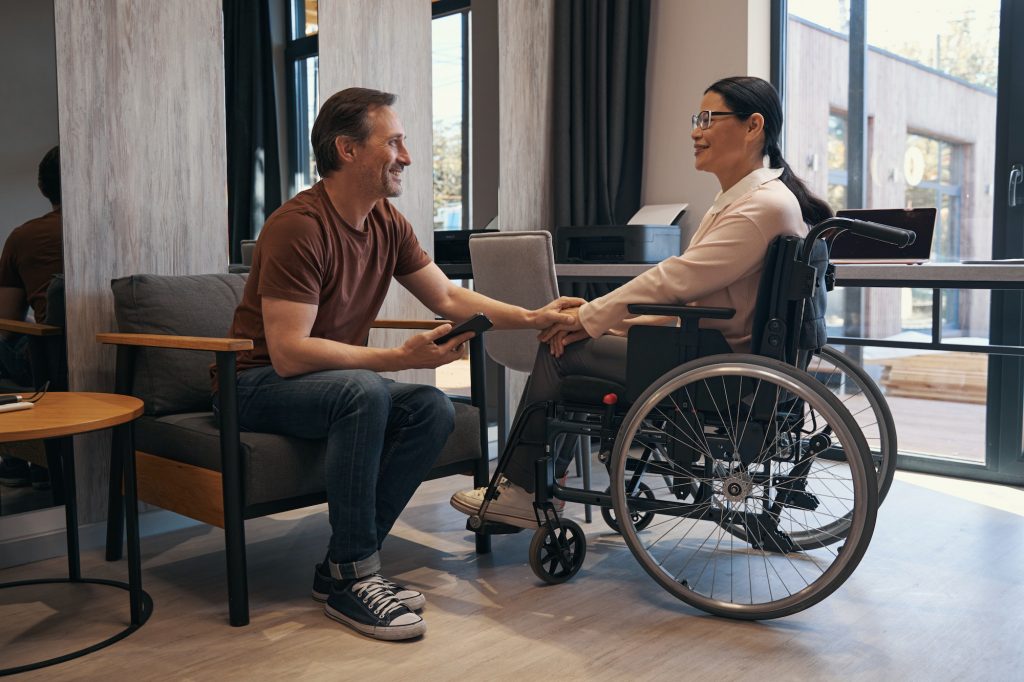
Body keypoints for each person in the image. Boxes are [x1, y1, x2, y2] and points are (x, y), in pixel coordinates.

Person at [222, 87, 581, 641]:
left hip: (327, 384)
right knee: (363, 391)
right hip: (254, 382)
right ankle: (353, 579)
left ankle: (342, 566)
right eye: (394, 142)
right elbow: (289, 352)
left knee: (432, 408)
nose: (408, 156)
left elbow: (450, 298)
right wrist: (397, 357)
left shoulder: (386, 221)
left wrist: (534, 317)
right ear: (347, 149)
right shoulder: (300, 226)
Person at [451, 75, 833, 528]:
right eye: (697, 118)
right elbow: (697, 296)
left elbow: (678, 280)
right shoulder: (749, 201)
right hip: (712, 351)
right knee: (574, 338)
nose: (696, 130)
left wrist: (593, 317)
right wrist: (608, 324)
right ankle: (537, 486)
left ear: (754, 126)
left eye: (709, 118)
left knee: (563, 348)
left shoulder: (760, 206)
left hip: (716, 366)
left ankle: (525, 488)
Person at [0, 145, 62, 489]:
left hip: (47, 363)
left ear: (43, 188)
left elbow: (6, 323)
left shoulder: (24, 236)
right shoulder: (117, 229)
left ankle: (13, 455)